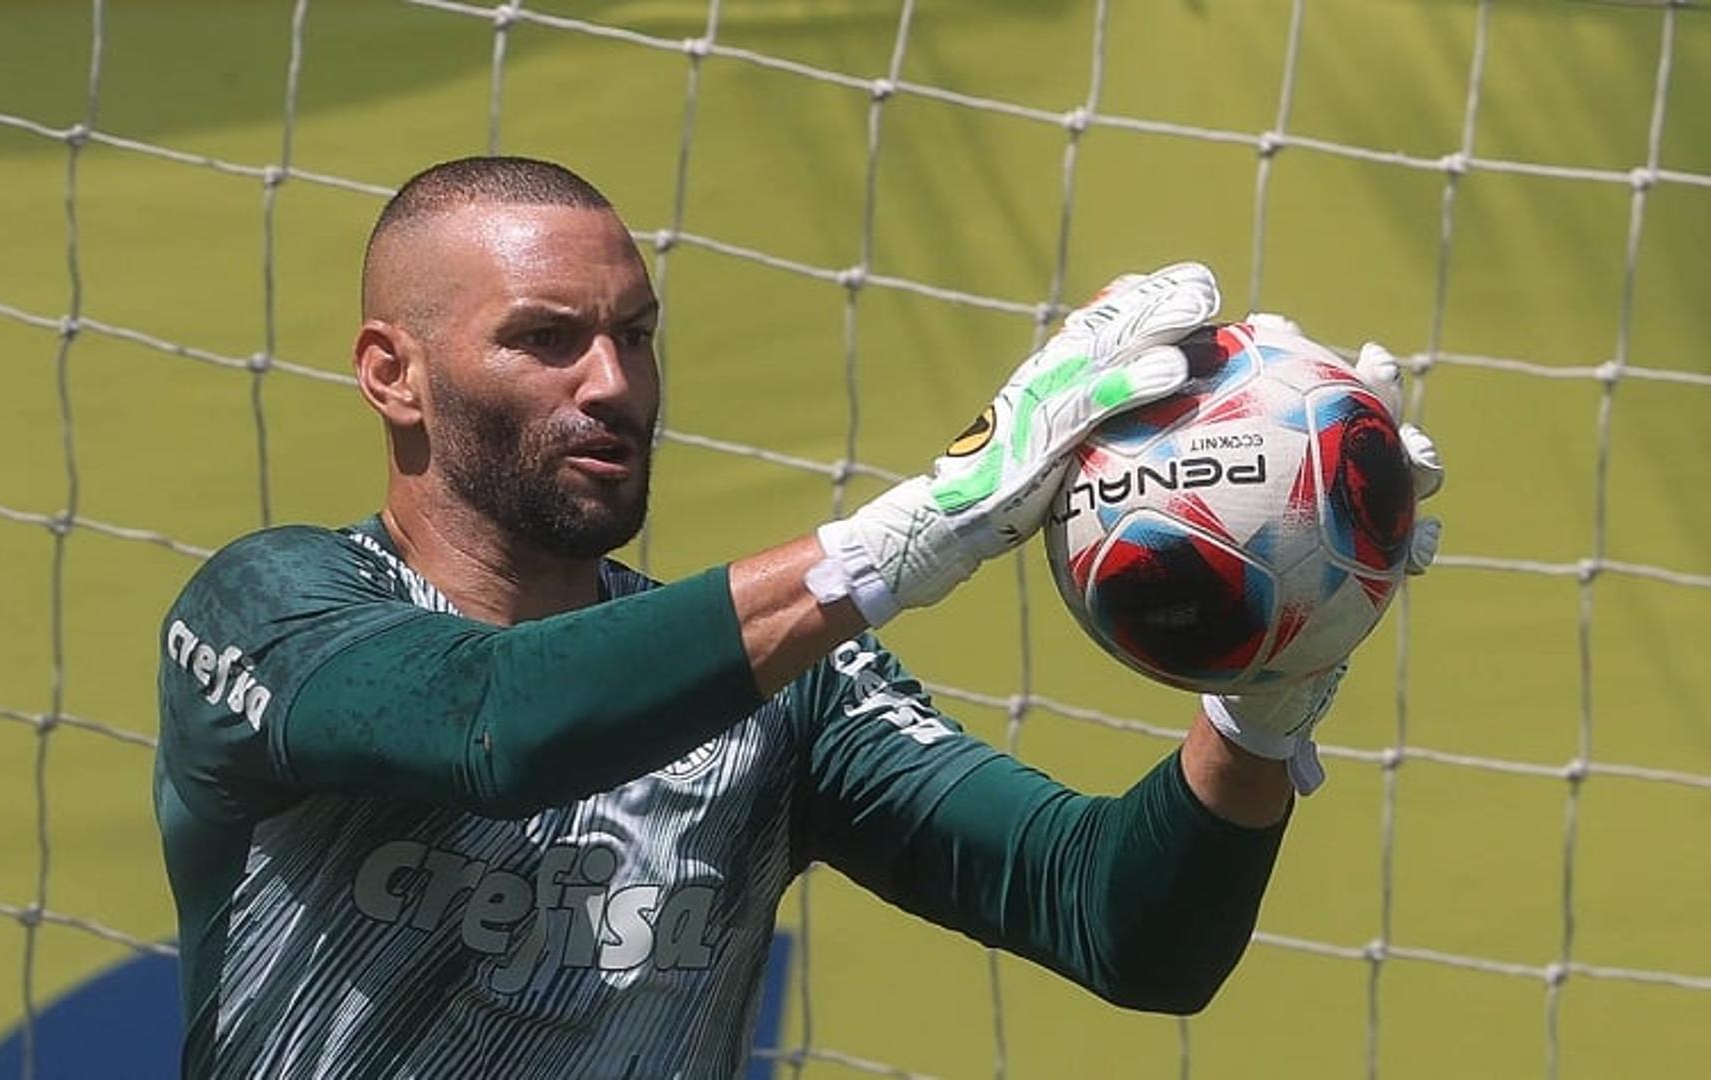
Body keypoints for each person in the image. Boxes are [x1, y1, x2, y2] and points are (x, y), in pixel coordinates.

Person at [153, 155, 1443, 1078]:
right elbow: (493, 726)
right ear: (394, 374)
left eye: (637, 337)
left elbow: (1120, 924)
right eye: (548, 340)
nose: (613, 383)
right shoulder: (271, 607)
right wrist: (922, 528)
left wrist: (1264, 705)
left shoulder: (793, 689)